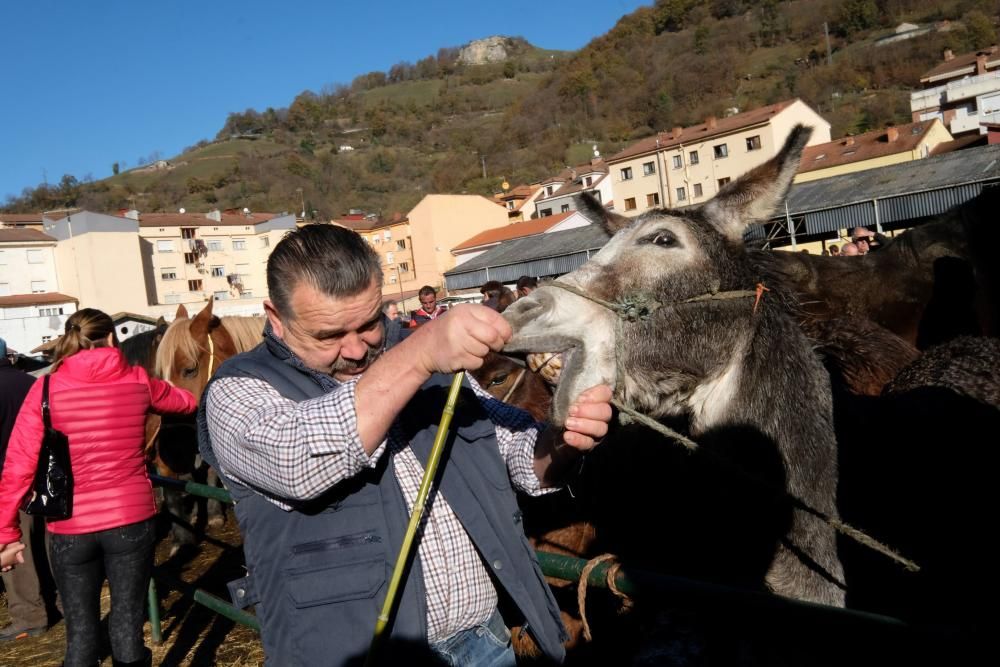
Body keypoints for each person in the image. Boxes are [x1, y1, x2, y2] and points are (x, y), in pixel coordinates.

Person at [199, 224, 613, 666]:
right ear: (276, 317)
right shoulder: (240, 390)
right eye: (329, 336)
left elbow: (514, 450)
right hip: (362, 656)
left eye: (369, 324)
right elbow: (299, 462)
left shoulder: (420, 359)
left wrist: (563, 440)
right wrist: (417, 355)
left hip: (486, 643)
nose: (356, 350)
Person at [0, 309, 198, 667]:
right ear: (112, 338)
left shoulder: (45, 388)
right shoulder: (138, 379)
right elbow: (184, 401)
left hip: (71, 527)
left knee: (81, 633)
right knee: (126, 625)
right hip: (131, 519)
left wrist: (7, 533)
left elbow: (18, 465)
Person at [0, 337, 50, 642]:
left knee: (14, 552)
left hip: (7, 481)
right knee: (43, 543)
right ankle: (56, 602)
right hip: (39, 475)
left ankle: (28, 615)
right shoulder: (30, 382)